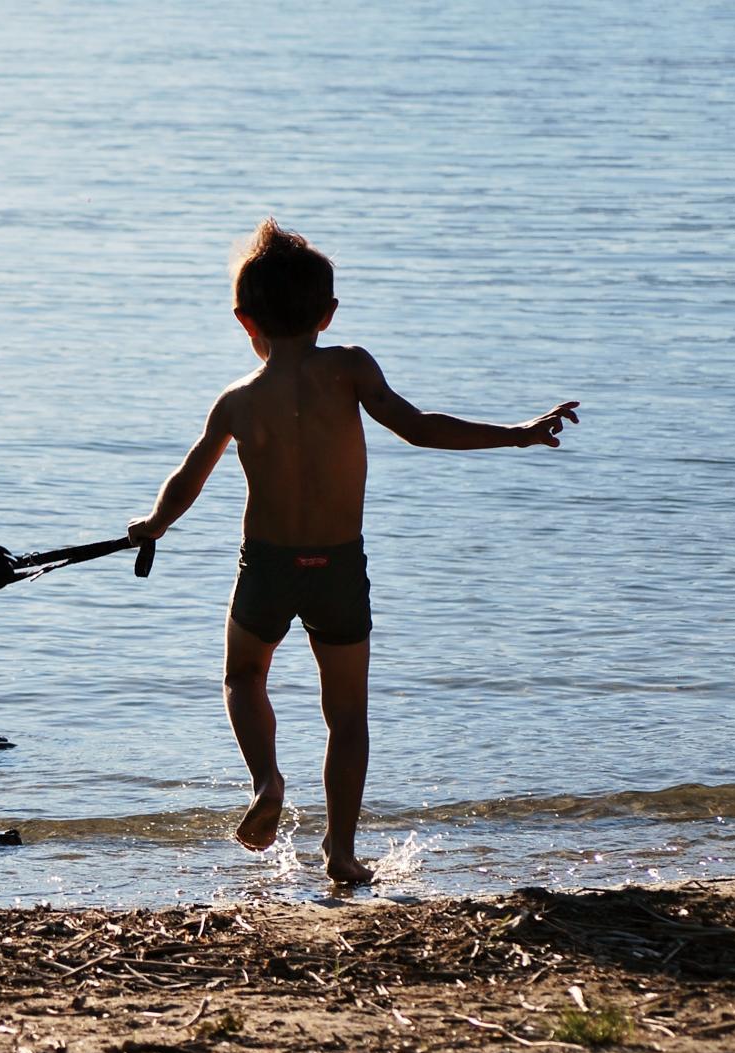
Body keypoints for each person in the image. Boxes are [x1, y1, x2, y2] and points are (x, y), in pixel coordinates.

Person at [127, 218, 579, 884]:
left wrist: (153, 524)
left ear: (242, 319)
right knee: (346, 715)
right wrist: (516, 433)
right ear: (329, 313)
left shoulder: (237, 402)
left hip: (269, 566)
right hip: (338, 567)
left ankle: (266, 782)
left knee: (243, 676)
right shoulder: (351, 368)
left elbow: (188, 478)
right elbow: (420, 428)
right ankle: (340, 852)